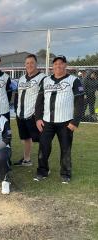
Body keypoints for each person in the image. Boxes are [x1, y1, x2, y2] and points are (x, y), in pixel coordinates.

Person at [34, 55, 84, 183]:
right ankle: (42, 171)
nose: (58, 66)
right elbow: (39, 101)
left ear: (65, 65)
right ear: (52, 66)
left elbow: (80, 102)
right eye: (55, 64)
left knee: (65, 148)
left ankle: (65, 173)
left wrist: (75, 122)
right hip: (47, 121)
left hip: (66, 122)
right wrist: (38, 118)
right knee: (44, 147)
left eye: (61, 63)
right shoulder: (45, 81)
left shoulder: (74, 80)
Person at [13, 54, 46, 166]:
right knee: (26, 138)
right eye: (27, 63)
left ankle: (43, 164)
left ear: (36, 64)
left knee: (41, 139)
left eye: (32, 62)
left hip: (33, 115)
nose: (29, 65)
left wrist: (39, 115)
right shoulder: (21, 78)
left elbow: (44, 98)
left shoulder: (43, 78)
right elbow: (17, 95)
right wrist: (17, 110)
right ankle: (27, 160)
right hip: (21, 114)